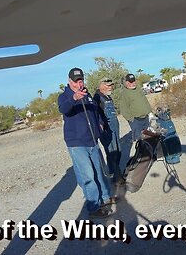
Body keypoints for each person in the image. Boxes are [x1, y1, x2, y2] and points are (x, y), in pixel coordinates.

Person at [58, 68, 116, 219]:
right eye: (76, 81)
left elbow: (95, 111)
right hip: (77, 143)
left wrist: (100, 123)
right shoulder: (64, 96)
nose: (79, 83)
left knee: (99, 171)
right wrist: (74, 98)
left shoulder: (87, 94)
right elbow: (63, 109)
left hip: (92, 140)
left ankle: (105, 198)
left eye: (81, 80)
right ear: (69, 81)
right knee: (88, 175)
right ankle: (93, 206)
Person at [93, 77, 123, 184]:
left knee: (118, 150)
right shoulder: (97, 98)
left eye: (111, 85)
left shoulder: (108, 97)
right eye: (108, 85)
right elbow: (97, 116)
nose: (110, 87)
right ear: (101, 85)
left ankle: (116, 172)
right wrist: (103, 127)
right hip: (106, 129)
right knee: (111, 152)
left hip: (114, 126)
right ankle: (115, 176)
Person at [119, 73, 152, 142]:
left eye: (134, 81)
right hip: (136, 121)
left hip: (145, 118)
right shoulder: (124, 93)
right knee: (140, 140)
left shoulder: (138, 89)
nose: (133, 83)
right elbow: (123, 108)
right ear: (127, 82)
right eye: (131, 82)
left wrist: (150, 112)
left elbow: (145, 100)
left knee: (149, 138)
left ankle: (150, 152)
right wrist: (131, 119)